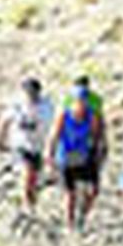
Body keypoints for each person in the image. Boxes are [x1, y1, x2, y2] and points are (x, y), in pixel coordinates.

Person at [46, 86, 103, 232]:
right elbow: (54, 135)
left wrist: (97, 154)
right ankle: (70, 224)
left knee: (94, 190)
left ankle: (82, 214)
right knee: (70, 193)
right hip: (66, 156)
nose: (80, 105)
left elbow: (96, 136)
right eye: (78, 101)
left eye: (83, 101)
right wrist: (49, 155)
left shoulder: (92, 116)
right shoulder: (64, 115)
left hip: (83, 154)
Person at [0, 78, 53, 210]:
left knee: (33, 179)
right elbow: (4, 121)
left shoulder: (45, 106)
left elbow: (52, 126)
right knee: (27, 174)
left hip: (37, 147)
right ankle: (25, 205)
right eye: (28, 92)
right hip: (20, 145)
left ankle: (30, 204)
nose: (30, 95)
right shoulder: (18, 106)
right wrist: (0, 140)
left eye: (33, 92)